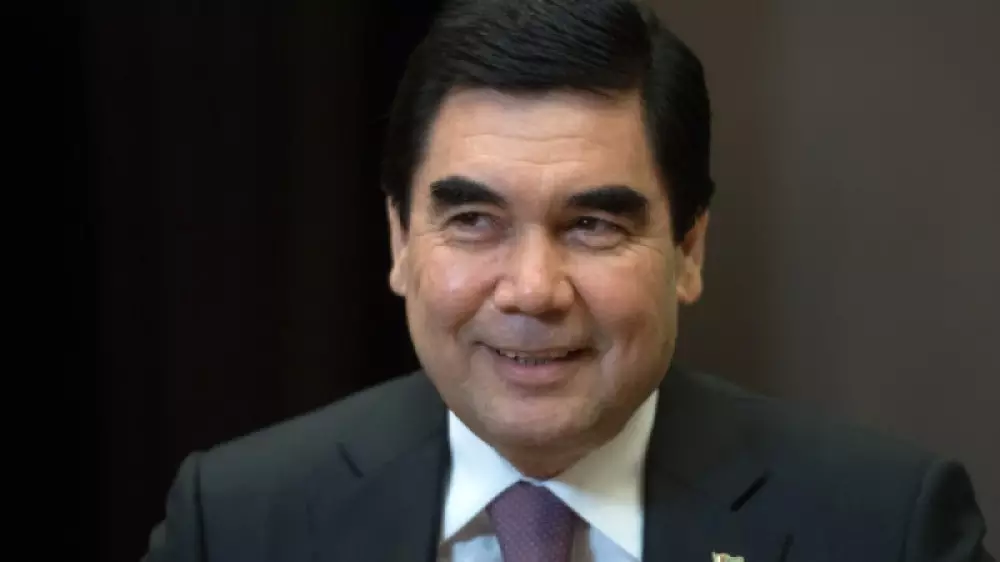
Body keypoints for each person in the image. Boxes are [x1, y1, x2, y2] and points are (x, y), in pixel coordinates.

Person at [142, 0, 993, 560]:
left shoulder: (883, 528)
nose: (532, 290)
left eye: (593, 225)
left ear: (689, 250)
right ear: (400, 241)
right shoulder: (241, 520)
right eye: (474, 220)